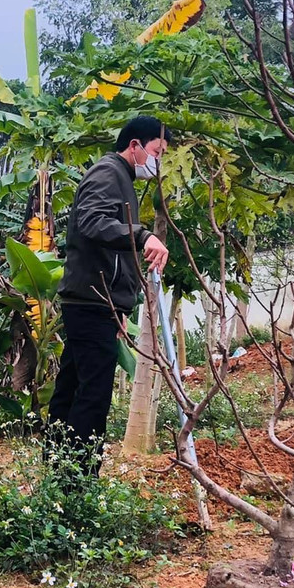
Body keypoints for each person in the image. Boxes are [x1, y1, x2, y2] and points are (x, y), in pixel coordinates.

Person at [49, 115, 170, 479]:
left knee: (72, 387)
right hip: (91, 301)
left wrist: (119, 307)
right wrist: (142, 235)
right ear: (134, 145)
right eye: (156, 151)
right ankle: (78, 483)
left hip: (96, 301)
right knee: (93, 395)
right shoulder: (109, 173)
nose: (158, 161)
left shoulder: (121, 178)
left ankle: (58, 472)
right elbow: (91, 221)